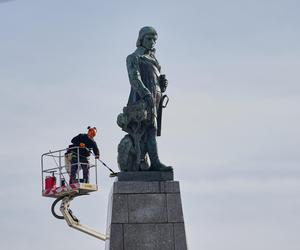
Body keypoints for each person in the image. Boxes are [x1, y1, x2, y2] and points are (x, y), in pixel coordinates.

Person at [125, 26, 172, 171]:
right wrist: (146, 94)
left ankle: (152, 162)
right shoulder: (134, 57)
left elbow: (154, 81)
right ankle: (147, 161)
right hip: (141, 101)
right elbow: (134, 79)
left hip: (155, 99)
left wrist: (162, 86)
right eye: (149, 39)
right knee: (146, 130)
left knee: (151, 130)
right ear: (141, 39)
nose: (152, 42)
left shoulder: (154, 60)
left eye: (154, 40)